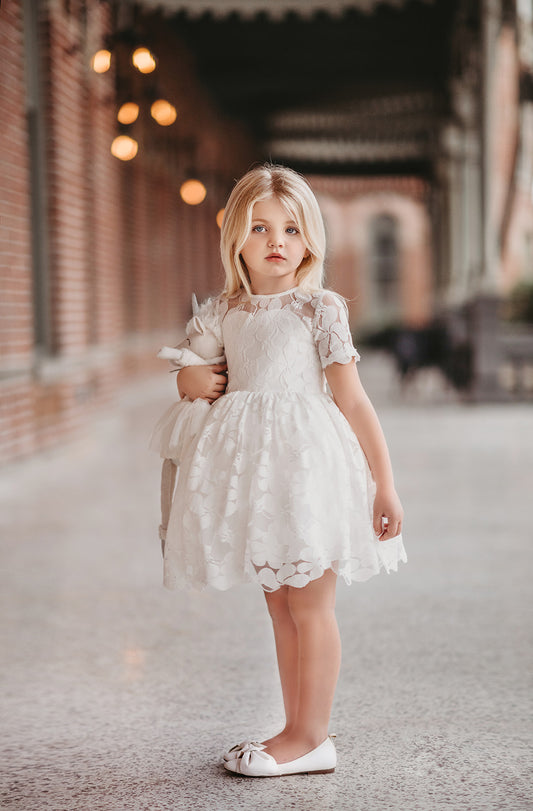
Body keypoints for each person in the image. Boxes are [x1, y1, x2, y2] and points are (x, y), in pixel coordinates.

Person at [157, 164, 406, 778]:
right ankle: (296, 727)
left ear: (310, 239)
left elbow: (353, 399)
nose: (277, 241)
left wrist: (385, 482)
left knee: (312, 604)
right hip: (260, 479)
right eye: (260, 227)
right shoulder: (226, 311)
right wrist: (188, 377)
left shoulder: (317, 308)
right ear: (235, 239)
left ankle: (312, 734)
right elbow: (196, 372)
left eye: (292, 229)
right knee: (280, 607)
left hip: (308, 468)